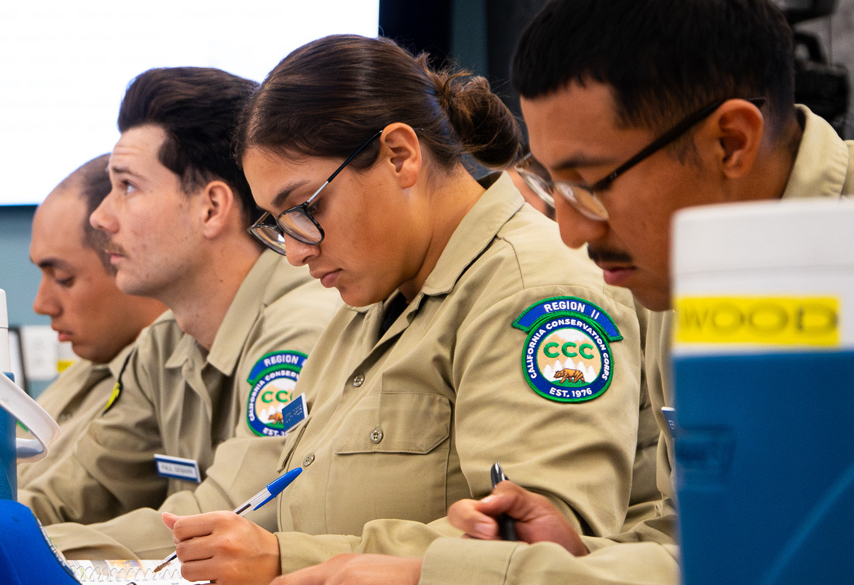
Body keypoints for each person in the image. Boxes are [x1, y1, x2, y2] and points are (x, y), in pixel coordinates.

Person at [272, 1, 854, 584]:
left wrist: (443, 576)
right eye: (559, 187)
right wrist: (570, 553)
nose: (571, 232)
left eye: (591, 186)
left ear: (729, 142)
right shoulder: (684, 276)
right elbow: (713, 542)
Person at [159, 34, 652, 585]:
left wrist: (285, 557)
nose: (296, 250)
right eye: (278, 224)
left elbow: (544, 545)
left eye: (304, 208)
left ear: (400, 155)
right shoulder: (368, 302)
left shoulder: (531, 290)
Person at [17, 68, 340, 552]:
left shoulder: (302, 327)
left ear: (211, 208)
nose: (102, 219)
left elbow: (225, 521)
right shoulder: (165, 342)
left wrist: (11, 545)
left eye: (126, 187)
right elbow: (75, 489)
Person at [19, 154, 168, 488]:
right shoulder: (92, 366)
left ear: (129, 258)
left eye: (62, 277)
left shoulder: (160, 378)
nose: (41, 305)